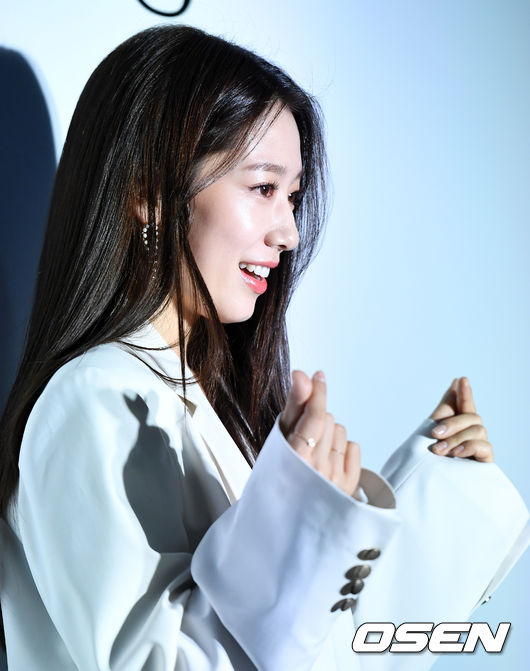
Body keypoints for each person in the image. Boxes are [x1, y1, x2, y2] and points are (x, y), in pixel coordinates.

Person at [0, 24, 528, 671]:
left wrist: (437, 492)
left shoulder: (192, 399)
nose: (290, 231)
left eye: (293, 195)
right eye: (263, 188)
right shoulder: (95, 401)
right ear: (151, 196)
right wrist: (297, 515)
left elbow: (324, 649)